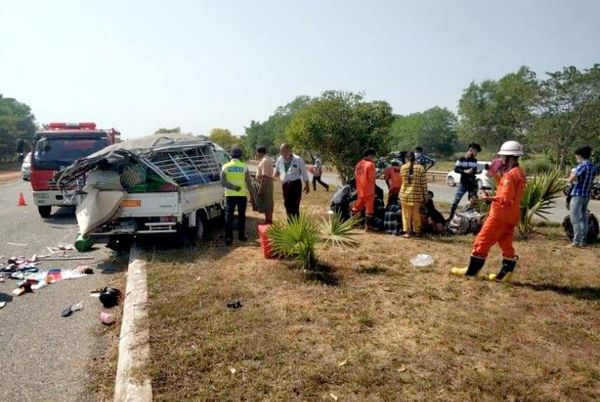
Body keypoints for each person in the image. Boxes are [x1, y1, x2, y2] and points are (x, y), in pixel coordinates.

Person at [451, 141, 526, 282]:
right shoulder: (519, 172)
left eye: (503, 157)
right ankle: (504, 275)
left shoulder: (510, 176)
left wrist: (488, 198)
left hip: (499, 215)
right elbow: (510, 193)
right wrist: (495, 178)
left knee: (481, 241)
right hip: (512, 215)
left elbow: (504, 198)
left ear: (508, 157)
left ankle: (471, 272)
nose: (501, 159)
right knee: (506, 243)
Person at [221, 147, 253, 246]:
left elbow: (223, 182)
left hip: (230, 196)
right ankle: (241, 236)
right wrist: (252, 195)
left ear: (231, 156)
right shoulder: (244, 167)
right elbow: (248, 183)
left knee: (229, 217)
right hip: (241, 196)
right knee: (241, 216)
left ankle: (228, 238)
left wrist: (233, 187)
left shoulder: (225, 166)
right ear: (240, 156)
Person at [567, 146, 598, 248]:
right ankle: (583, 241)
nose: (576, 158)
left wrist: (572, 173)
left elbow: (571, 179)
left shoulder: (581, 166)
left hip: (577, 194)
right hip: (586, 195)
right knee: (584, 219)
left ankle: (576, 241)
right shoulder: (593, 167)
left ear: (580, 156)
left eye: (576, 156)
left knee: (575, 218)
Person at [273, 143, 310, 219]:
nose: (282, 153)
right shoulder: (279, 159)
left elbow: (304, 172)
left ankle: (296, 223)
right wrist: (272, 177)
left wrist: (307, 185)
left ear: (289, 150)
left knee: (295, 205)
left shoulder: (298, 159)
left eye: (283, 151)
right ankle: (289, 221)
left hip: (295, 184)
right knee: (287, 204)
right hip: (285, 185)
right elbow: (277, 171)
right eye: (281, 151)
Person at [449, 143, 482, 220]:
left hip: (472, 184)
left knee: (473, 202)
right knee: (455, 201)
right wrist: (464, 171)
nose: (476, 154)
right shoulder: (461, 159)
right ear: (471, 150)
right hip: (463, 183)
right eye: (476, 152)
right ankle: (450, 217)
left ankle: (472, 219)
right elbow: (456, 169)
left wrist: (477, 172)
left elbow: (474, 171)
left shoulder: (474, 160)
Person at [399, 152, 428, 238]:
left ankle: (408, 233)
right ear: (415, 158)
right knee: (416, 214)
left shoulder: (402, 168)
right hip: (417, 196)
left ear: (406, 159)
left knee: (406, 215)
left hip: (404, 195)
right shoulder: (421, 168)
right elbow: (424, 184)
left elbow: (402, 181)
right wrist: (425, 196)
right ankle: (417, 232)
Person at [352, 148, 377, 230]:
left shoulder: (358, 164)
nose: (373, 158)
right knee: (369, 209)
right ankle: (368, 227)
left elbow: (356, 175)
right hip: (369, 190)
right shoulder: (370, 165)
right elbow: (371, 178)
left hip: (360, 190)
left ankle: (353, 223)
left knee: (357, 207)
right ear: (369, 155)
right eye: (373, 156)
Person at [255, 146, 274, 224]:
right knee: (267, 202)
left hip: (266, 183)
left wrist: (261, 189)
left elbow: (264, 176)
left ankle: (268, 221)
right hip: (266, 182)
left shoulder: (265, 160)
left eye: (257, 153)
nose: (256, 154)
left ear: (261, 153)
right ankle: (268, 220)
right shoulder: (267, 159)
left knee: (267, 202)